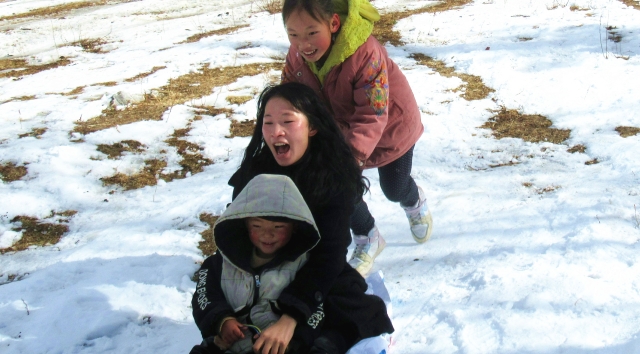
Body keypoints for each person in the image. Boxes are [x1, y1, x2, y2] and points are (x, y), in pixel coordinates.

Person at [221, 83, 393, 354]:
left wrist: (292, 317)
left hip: (316, 276)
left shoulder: (332, 177)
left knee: (345, 315)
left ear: (312, 126)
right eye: (268, 122)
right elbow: (235, 237)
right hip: (264, 272)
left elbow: (330, 256)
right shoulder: (254, 173)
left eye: (288, 121)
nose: (276, 131)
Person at [280, 0, 433, 276]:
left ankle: (412, 200)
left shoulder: (365, 54)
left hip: (390, 128)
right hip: (339, 129)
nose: (303, 44)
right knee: (333, 183)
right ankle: (367, 235)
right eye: (293, 35)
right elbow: (290, 95)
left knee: (393, 188)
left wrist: (348, 159)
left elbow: (372, 114)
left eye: (311, 33)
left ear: (334, 23)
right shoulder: (297, 56)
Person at [191, 174, 390, 354]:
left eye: (278, 227)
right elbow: (205, 296)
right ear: (244, 224)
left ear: (295, 226)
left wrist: (296, 340)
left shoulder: (306, 263)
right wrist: (222, 321)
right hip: (233, 345)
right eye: (257, 226)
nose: (267, 234)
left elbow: (319, 308)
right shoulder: (220, 264)